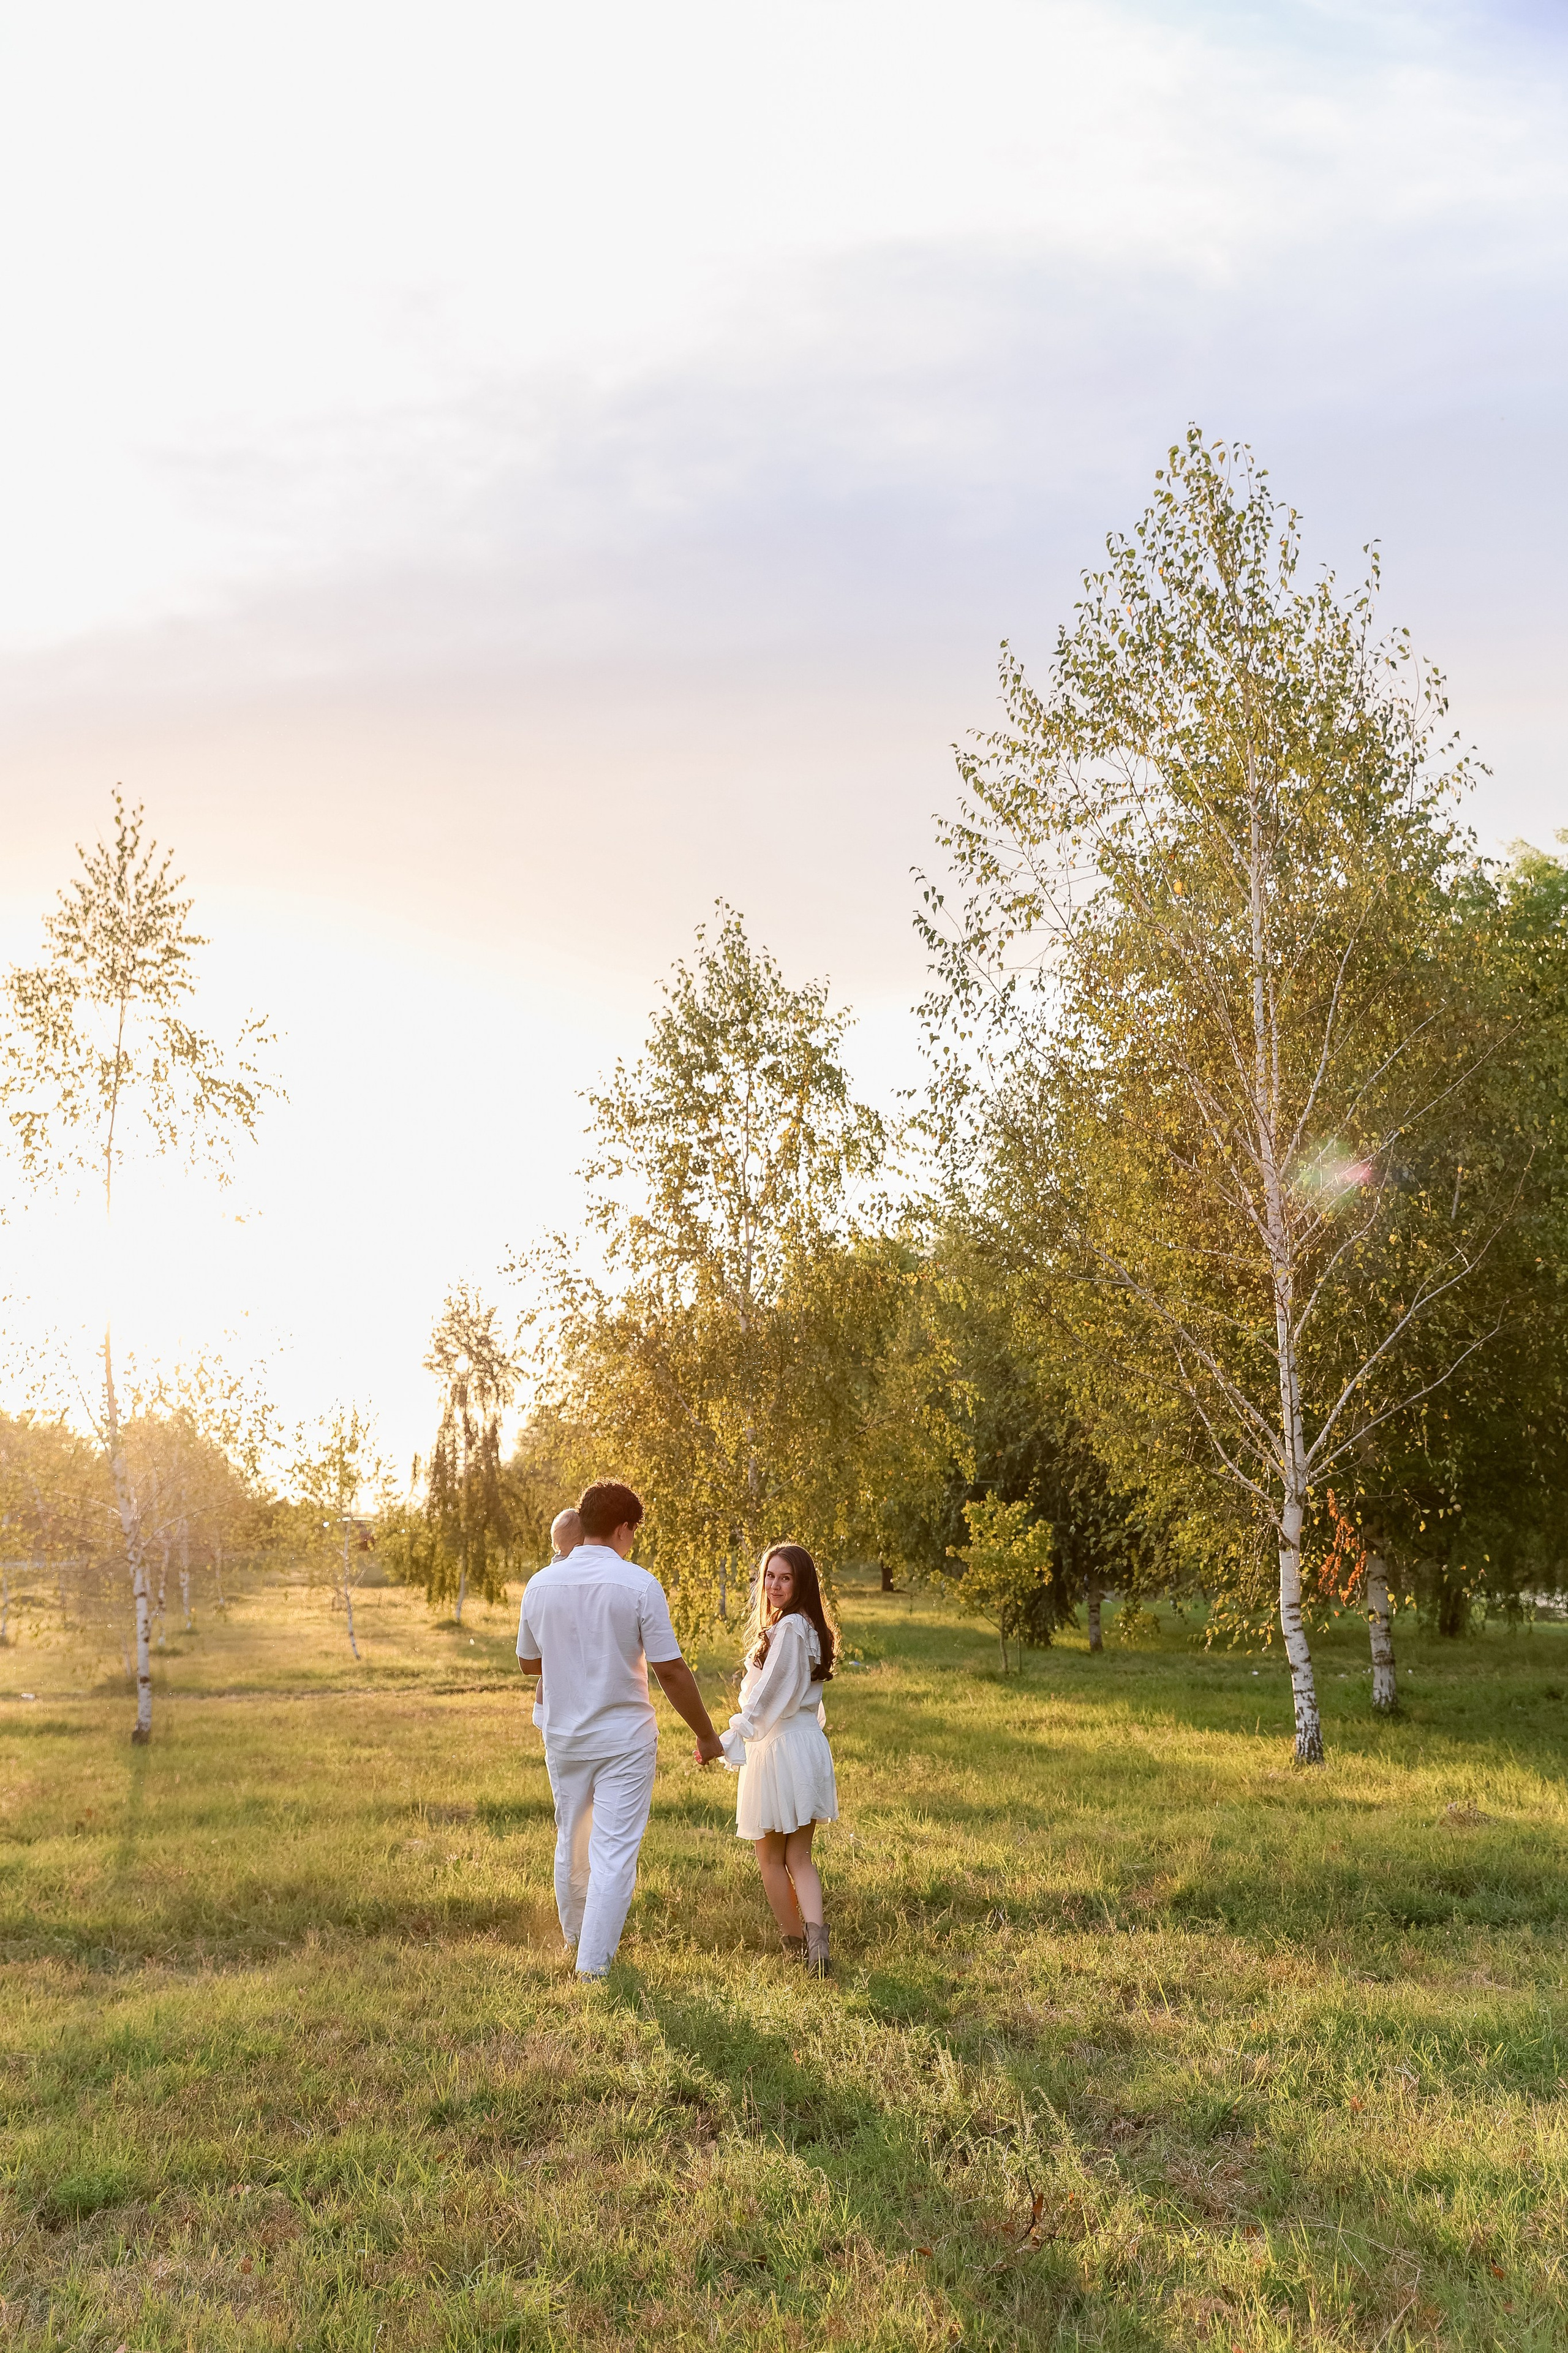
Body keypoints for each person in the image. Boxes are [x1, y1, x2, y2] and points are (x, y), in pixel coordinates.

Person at [517, 1480, 723, 1978]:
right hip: (624, 1741)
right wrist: (706, 1734)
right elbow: (670, 1670)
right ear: (623, 1528)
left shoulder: (541, 1584)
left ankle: (576, 1943)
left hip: (565, 1737)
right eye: (635, 1531)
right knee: (614, 1851)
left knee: (573, 1841)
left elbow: (528, 1663)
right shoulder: (638, 1584)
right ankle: (593, 1966)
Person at [719, 1541, 839, 1977]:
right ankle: (817, 1944)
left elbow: (769, 1698)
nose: (774, 1584)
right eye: (770, 1575)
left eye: (785, 1577)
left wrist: (735, 1734)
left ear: (801, 1581)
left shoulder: (789, 1629)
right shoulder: (808, 1627)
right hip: (803, 1743)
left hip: (780, 1746)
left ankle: (798, 1947)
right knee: (799, 1857)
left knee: (772, 1857)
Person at [530, 1507, 583, 1731]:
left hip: (550, 1665)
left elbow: (528, 1662)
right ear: (582, 1544)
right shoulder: (578, 1572)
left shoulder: (542, 1578)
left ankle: (540, 1709)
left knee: (549, 1673)